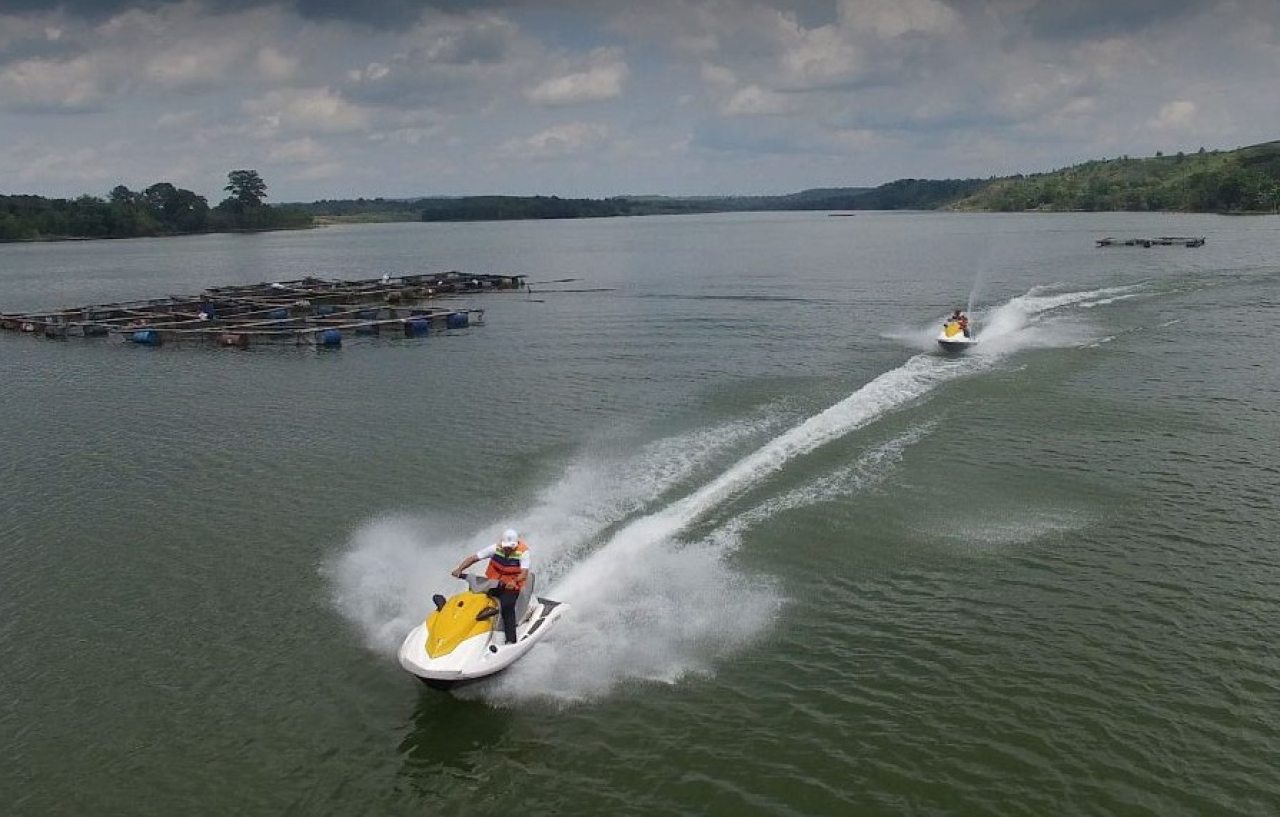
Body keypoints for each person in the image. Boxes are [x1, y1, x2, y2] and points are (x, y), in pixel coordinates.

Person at [451, 528, 531, 645]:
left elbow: (524, 573)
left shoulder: (523, 552)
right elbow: (474, 558)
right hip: (494, 583)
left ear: (515, 544)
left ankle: (511, 640)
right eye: (506, 546)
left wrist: (514, 582)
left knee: (506, 607)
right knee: (476, 599)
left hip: (512, 586)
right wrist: (459, 569)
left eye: (510, 547)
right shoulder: (495, 548)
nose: (507, 549)